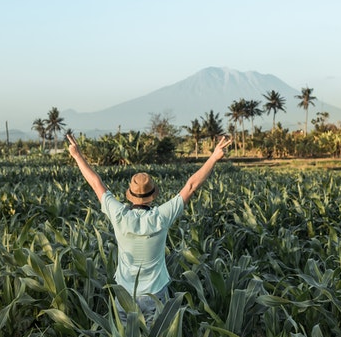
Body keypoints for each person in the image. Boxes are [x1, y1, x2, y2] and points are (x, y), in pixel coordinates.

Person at [66, 133, 232, 325]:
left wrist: (77, 155)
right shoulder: (161, 216)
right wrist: (213, 157)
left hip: (124, 295)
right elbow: (191, 186)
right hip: (155, 295)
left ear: (130, 195)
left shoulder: (119, 215)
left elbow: (96, 183)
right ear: (152, 196)